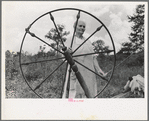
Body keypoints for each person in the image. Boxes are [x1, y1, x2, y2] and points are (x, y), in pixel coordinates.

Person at [64, 20, 107, 98]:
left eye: (84, 27)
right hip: (77, 72)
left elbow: (93, 57)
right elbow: (64, 56)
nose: (82, 28)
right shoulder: (70, 40)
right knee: (76, 94)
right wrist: (68, 53)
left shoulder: (88, 41)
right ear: (74, 27)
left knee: (90, 93)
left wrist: (99, 71)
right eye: (80, 26)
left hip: (89, 72)